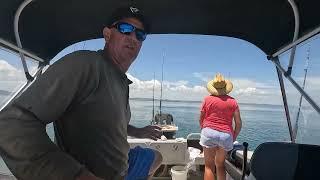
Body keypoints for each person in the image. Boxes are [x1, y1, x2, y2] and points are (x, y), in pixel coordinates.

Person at [0, 6, 162, 180]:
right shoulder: (85, 64)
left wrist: (138, 132)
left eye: (140, 35)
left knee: (156, 157)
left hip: (124, 166)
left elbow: (112, 124)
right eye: (126, 29)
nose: (133, 38)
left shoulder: (122, 83)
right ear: (107, 35)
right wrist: (76, 175)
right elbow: (10, 125)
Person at [199, 73, 242, 180]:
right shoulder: (233, 101)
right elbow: (238, 123)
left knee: (209, 166)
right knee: (220, 165)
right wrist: (234, 137)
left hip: (208, 132)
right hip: (226, 135)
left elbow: (201, 119)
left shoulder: (207, 99)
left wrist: (204, 130)